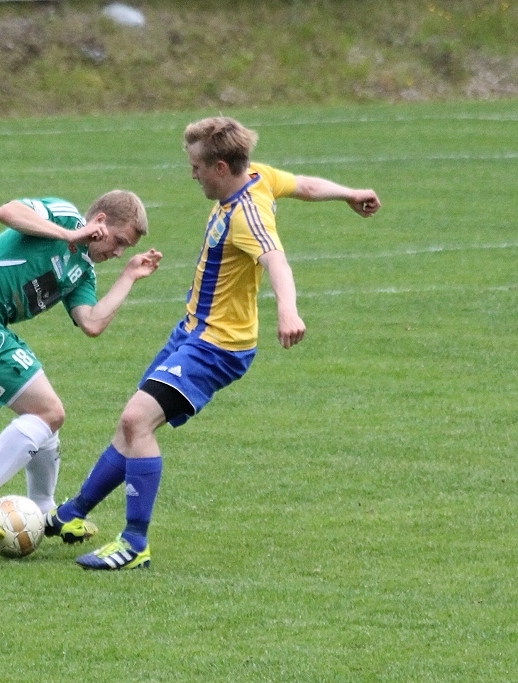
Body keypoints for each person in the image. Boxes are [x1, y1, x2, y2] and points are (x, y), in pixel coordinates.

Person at [47, 116, 382, 570]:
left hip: (219, 346)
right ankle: (71, 514)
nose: (193, 175)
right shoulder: (258, 175)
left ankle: (134, 544)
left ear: (221, 167)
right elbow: (304, 185)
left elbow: (276, 261)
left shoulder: (248, 215)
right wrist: (349, 193)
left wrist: (288, 310)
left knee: (136, 420)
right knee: (131, 426)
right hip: (192, 332)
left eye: (197, 167)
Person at [0, 190, 163, 541]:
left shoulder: (82, 272)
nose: (118, 252)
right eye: (119, 241)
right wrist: (69, 234)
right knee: (49, 411)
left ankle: (45, 510)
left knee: (46, 415)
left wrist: (128, 276)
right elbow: (7, 211)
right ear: (99, 222)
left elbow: (91, 323)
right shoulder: (63, 216)